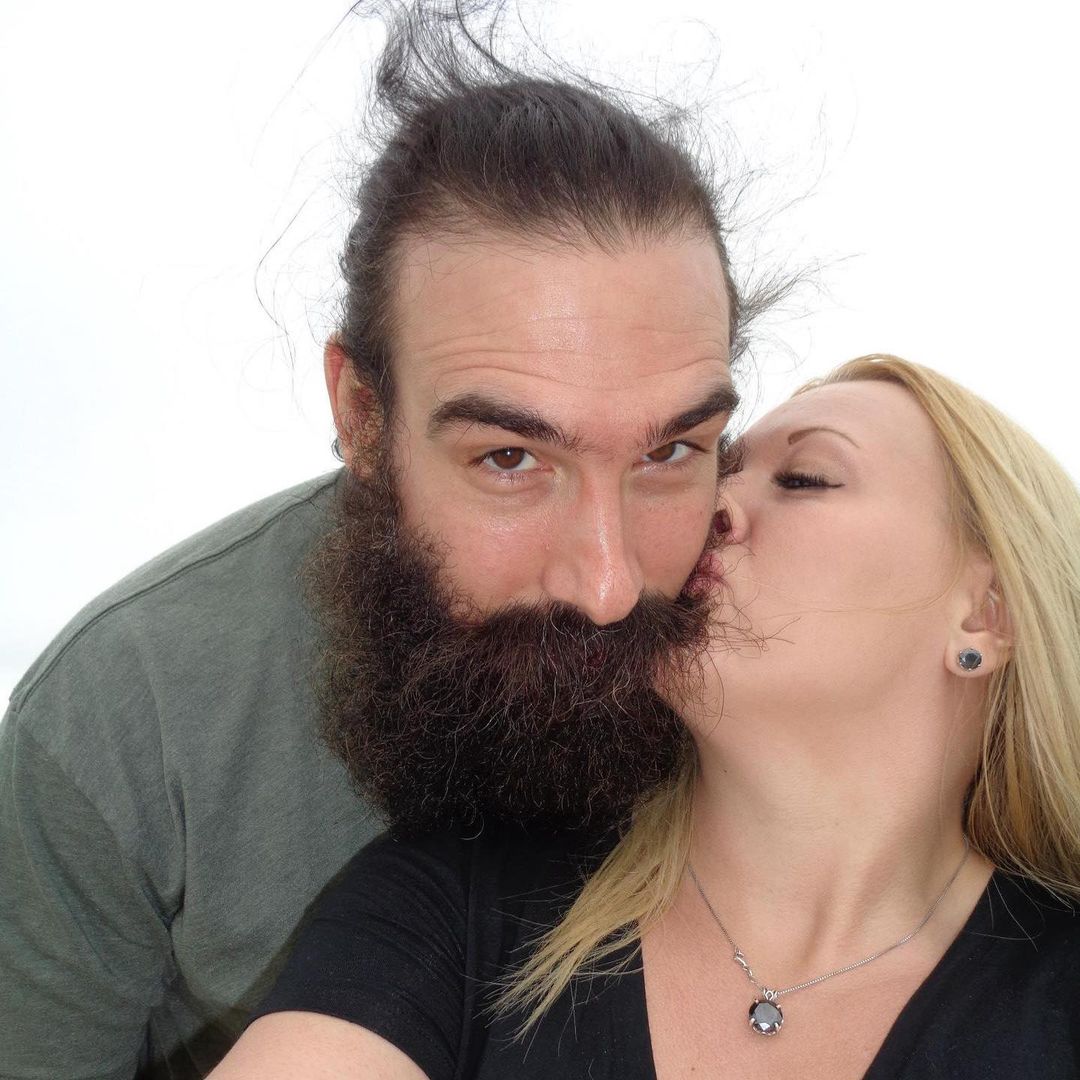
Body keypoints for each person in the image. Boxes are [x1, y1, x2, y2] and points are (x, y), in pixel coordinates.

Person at [0, 4, 769, 1077]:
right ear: (363, 417)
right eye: (511, 458)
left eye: (672, 451)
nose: (608, 583)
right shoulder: (121, 719)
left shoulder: (791, 644)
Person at [209, 355, 1080, 1079]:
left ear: (985, 615)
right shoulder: (460, 902)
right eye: (715, 468)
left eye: (804, 478)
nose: (711, 509)